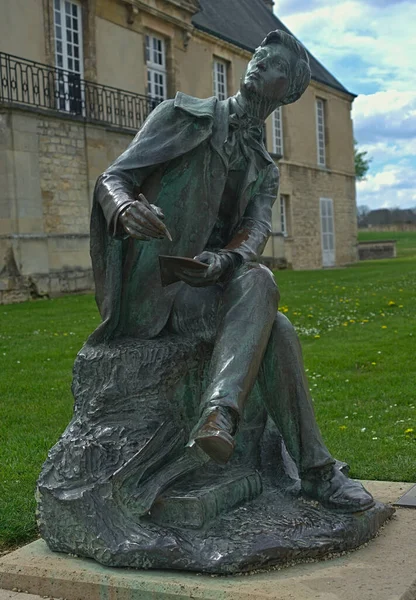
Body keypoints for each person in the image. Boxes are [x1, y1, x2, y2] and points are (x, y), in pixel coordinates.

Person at [91, 30, 374, 512]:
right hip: (157, 287)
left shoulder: (265, 166)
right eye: (259, 55)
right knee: (272, 314)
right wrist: (122, 208)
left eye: (275, 63)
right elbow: (113, 177)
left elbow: (256, 225)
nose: (260, 62)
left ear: (287, 92)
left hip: (209, 289)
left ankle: (226, 419)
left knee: (270, 310)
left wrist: (223, 259)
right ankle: (310, 468)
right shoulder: (179, 116)